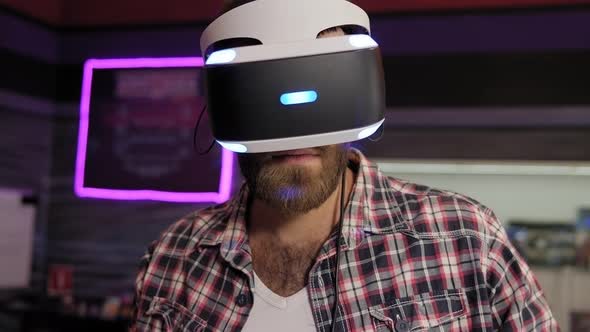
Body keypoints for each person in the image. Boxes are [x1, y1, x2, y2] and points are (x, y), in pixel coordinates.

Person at [131, 2, 559, 331]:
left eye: (320, 81)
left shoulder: (465, 239)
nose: (297, 130)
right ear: (224, 101)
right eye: (266, 91)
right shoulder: (173, 257)